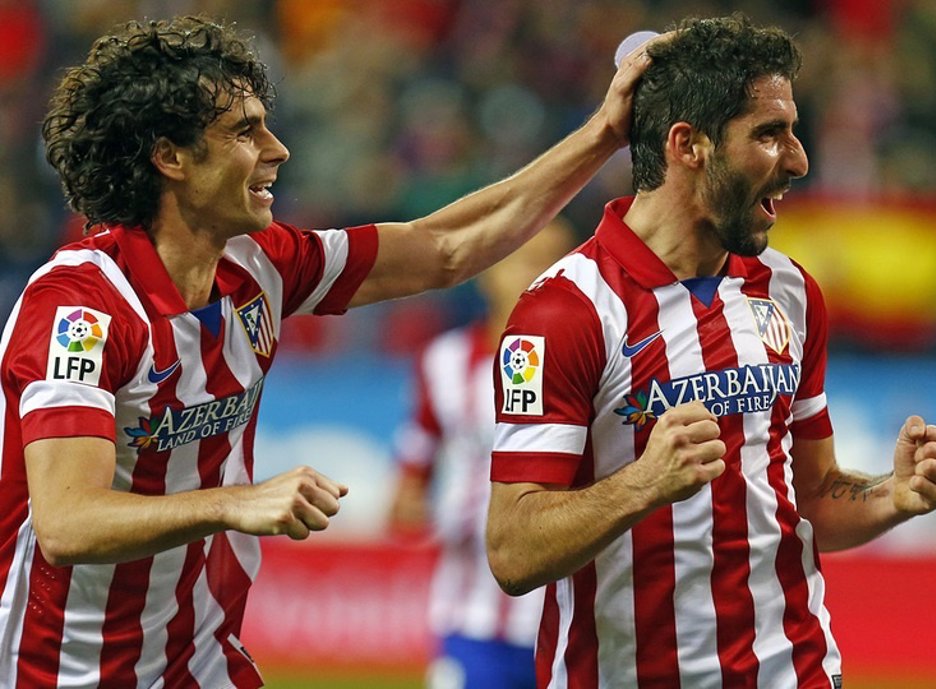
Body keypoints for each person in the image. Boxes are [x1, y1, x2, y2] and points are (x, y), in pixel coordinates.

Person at [0, 15, 650, 688]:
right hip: (57, 670)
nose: (277, 149)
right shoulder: (79, 312)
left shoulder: (259, 263)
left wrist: (603, 135)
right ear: (172, 157)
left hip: (198, 662)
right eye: (245, 131)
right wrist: (232, 502)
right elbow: (68, 521)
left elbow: (444, 248)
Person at [485, 16, 936, 689]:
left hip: (793, 671)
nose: (798, 160)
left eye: (793, 132)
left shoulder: (790, 291)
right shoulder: (565, 312)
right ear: (689, 145)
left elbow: (811, 495)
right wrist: (642, 484)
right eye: (770, 134)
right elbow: (512, 550)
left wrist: (893, 494)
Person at [388, 219, 574, 689]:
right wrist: (414, 503)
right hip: (471, 617)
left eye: (554, 263)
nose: (539, 276)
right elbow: (412, 473)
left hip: (568, 623)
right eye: (525, 261)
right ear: (489, 273)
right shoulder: (444, 362)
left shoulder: (592, 365)